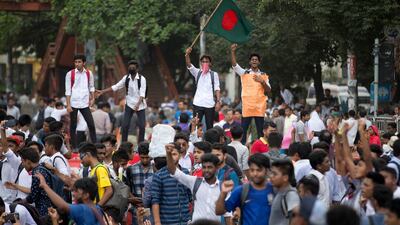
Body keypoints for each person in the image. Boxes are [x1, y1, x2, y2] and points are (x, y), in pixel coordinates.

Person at [166, 145, 221, 222]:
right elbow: (174, 171)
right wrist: (168, 154)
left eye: (210, 167)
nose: (206, 170)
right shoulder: (195, 182)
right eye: (204, 167)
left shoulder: (222, 187)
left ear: (217, 168)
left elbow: (227, 215)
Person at [96, 60, 147, 143]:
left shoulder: (142, 79)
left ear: (137, 69)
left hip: (140, 105)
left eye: (133, 67)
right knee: (125, 125)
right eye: (130, 67)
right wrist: (103, 91)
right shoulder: (126, 78)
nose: (131, 68)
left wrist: (137, 105)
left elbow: (142, 93)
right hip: (129, 104)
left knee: (142, 126)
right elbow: (116, 87)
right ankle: (124, 143)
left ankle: (141, 144)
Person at [215, 154, 274, 225]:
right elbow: (219, 211)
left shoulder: (275, 190)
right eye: (252, 170)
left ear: (267, 170)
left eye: (259, 170)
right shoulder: (241, 190)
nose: (255, 173)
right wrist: (223, 193)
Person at [231, 44, 271, 143]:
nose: (254, 61)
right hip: (247, 107)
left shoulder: (264, 75)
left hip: (259, 107)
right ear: (250, 62)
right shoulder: (244, 73)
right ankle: (242, 149)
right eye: (252, 59)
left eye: (256, 59)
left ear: (259, 62)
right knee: (243, 130)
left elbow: (268, 90)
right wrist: (232, 52)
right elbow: (234, 65)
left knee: (260, 132)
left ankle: (262, 150)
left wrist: (262, 81)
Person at [35, 175, 107, 225]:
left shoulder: (83, 209)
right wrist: (54, 219)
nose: (73, 194)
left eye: (76, 191)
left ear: (86, 195)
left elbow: (63, 206)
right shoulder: (97, 208)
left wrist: (45, 186)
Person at [151, 143, 191, 225]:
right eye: (169, 154)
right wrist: (157, 222)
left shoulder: (186, 173)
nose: (172, 157)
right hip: (167, 221)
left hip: (185, 221)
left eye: (174, 154)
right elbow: (155, 201)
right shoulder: (159, 175)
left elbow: (190, 197)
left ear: (180, 155)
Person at [185, 47, 221, 130]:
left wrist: (218, 101)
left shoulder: (214, 74)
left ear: (210, 63)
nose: (205, 63)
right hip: (198, 103)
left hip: (209, 104)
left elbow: (217, 88)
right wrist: (187, 55)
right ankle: (195, 141)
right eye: (203, 61)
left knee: (209, 127)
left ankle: (209, 142)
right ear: (201, 63)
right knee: (196, 125)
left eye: (207, 61)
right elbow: (189, 64)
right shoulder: (197, 72)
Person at [65, 54, 97, 148]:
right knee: (73, 125)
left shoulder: (88, 73)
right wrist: (68, 105)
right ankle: (74, 147)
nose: (77, 64)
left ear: (84, 63)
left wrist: (93, 98)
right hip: (74, 102)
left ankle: (95, 145)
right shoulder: (70, 74)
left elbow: (91, 87)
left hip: (84, 103)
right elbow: (68, 90)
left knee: (91, 124)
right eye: (75, 62)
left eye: (79, 62)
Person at [18, 147, 52, 217]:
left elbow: (33, 195)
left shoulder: (37, 173)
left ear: (28, 161)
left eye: (22, 161)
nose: (22, 164)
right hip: (49, 207)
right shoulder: (42, 168)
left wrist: (21, 202)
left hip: (43, 210)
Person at [126, 142, 153, 225]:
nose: (145, 160)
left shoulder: (155, 168)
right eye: (142, 157)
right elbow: (127, 187)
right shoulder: (131, 169)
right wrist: (132, 198)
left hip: (152, 209)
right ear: (138, 155)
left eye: (147, 157)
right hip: (137, 209)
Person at [78, 142, 113, 206]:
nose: (81, 161)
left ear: (88, 154)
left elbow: (109, 191)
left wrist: (98, 206)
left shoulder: (100, 169)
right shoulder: (94, 170)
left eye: (81, 157)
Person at [269, 159, 300, 225]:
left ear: (285, 178)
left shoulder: (291, 194)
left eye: (274, 174)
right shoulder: (279, 192)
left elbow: (297, 218)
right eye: (271, 173)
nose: (271, 176)